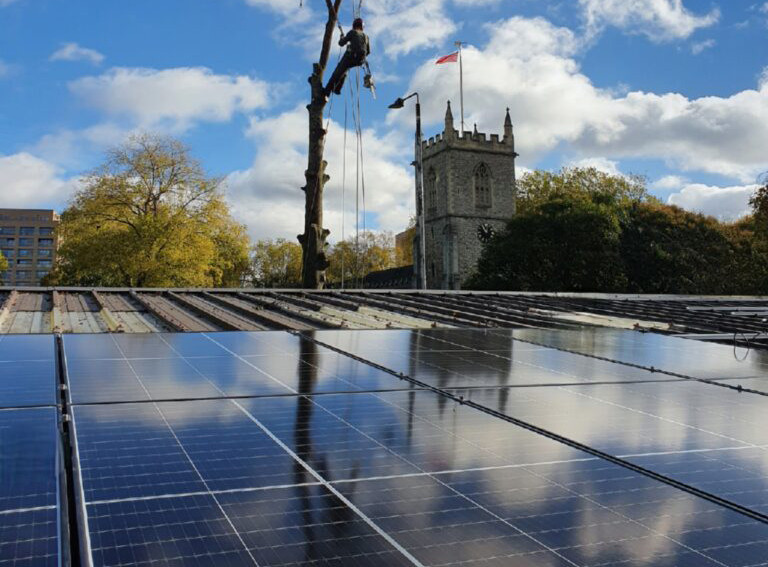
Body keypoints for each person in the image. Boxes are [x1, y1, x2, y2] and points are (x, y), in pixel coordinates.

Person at [324, 18, 370, 98]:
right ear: (362, 27)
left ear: (354, 26)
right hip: (360, 60)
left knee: (337, 72)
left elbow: (341, 43)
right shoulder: (366, 37)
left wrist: (342, 37)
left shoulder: (352, 32)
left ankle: (326, 92)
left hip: (352, 57)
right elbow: (368, 51)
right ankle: (337, 89)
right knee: (344, 69)